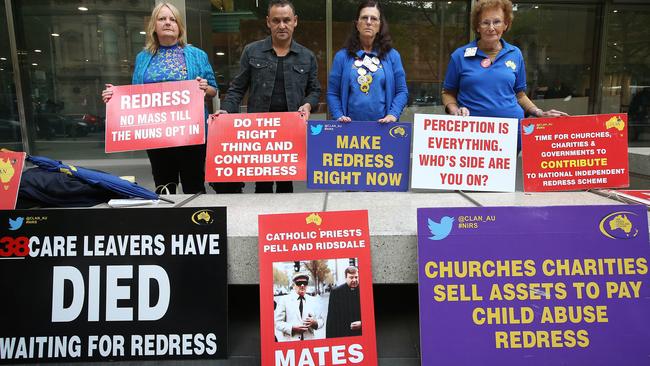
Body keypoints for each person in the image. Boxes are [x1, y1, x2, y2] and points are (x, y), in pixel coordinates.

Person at [102, 2, 217, 194]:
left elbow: (214, 89)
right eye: (162, 19)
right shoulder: (143, 57)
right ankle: (168, 222)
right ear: (153, 26)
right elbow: (136, 94)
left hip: (190, 132)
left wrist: (205, 87)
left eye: (172, 19)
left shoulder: (197, 55)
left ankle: (195, 222)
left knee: (194, 183)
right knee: (163, 184)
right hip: (156, 133)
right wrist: (115, 95)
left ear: (179, 26)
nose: (167, 23)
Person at [216, 0, 321, 194]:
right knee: (262, 185)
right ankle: (261, 221)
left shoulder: (307, 56)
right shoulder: (251, 51)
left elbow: (315, 90)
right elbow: (237, 88)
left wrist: (308, 105)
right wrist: (226, 110)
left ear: (295, 21)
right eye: (276, 20)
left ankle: (283, 223)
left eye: (287, 20)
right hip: (260, 131)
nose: (282, 25)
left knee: (286, 184)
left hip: (291, 131)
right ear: (268, 22)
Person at [441, 0, 567, 147]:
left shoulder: (515, 53)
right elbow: (447, 92)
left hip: (511, 133)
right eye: (485, 23)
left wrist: (538, 112)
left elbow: (519, 94)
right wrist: (455, 110)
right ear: (477, 26)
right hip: (472, 136)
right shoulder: (460, 55)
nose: (491, 28)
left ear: (505, 25)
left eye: (497, 22)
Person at [327, 0, 408, 123]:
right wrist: (338, 115)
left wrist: (393, 115)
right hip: (349, 130)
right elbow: (333, 93)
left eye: (374, 19)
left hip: (383, 128)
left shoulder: (392, 56)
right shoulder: (342, 57)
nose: (369, 22)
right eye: (364, 18)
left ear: (380, 25)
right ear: (357, 24)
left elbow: (402, 92)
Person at [275, 273, 324, 342]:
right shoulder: (284, 300)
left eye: (305, 283)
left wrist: (314, 323)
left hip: (309, 343)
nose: (302, 285)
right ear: (294, 285)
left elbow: (321, 320)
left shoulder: (313, 300)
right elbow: (278, 323)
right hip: (291, 343)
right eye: (299, 283)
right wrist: (292, 328)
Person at [326, 266, 362, 338]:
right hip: (342, 335)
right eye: (351, 277)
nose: (354, 280)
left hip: (360, 335)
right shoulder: (336, 292)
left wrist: (362, 324)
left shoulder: (364, 290)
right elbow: (331, 321)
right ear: (346, 278)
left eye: (356, 277)